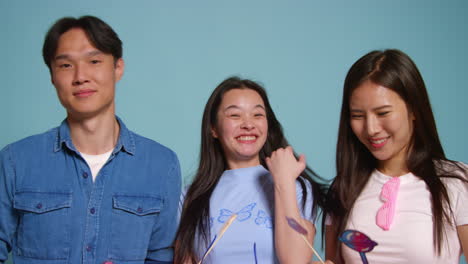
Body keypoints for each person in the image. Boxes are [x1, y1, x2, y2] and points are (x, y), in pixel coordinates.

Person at [0, 16, 181, 264]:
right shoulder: (15, 160)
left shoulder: (162, 165)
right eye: (65, 65)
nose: (80, 76)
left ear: (118, 68)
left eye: (94, 61)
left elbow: (161, 257)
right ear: (52, 75)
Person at [324, 49, 468, 263]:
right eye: (357, 116)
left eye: (383, 113)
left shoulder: (455, 181)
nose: (371, 128)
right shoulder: (343, 189)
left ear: (414, 110)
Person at [174, 77, 327, 264]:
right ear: (213, 128)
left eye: (257, 115)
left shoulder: (295, 186)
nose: (248, 124)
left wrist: (283, 182)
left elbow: (294, 260)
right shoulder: (191, 197)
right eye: (235, 115)